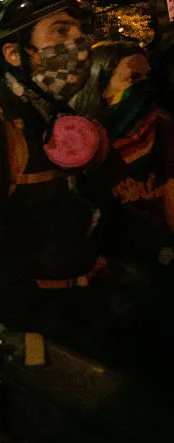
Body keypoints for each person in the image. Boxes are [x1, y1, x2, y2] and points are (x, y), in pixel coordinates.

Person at [0, 0, 170, 443]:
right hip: (27, 336)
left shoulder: (64, 125)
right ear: (14, 53)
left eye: (79, 29)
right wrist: (64, 324)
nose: (77, 43)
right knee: (139, 434)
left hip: (91, 308)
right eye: (59, 30)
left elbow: (109, 214)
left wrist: (159, 254)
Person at [74, 42, 174, 274]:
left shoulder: (162, 127)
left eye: (147, 78)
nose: (145, 87)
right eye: (133, 78)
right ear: (100, 85)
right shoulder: (82, 142)